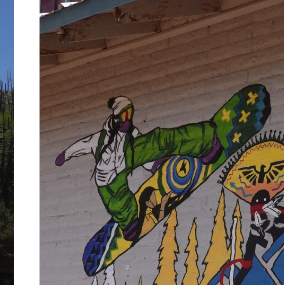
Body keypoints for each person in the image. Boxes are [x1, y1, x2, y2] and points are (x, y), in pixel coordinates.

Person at [55, 88, 268, 244]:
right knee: (119, 204)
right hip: (108, 180)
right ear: (116, 117)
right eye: (125, 115)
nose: (129, 119)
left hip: (128, 159)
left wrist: (155, 164)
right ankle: (129, 224)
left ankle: (207, 140)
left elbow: (146, 148)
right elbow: (81, 146)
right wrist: (65, 155)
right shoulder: (99, 139)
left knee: (161, 140)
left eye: (131, 114)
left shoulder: (131, 134)